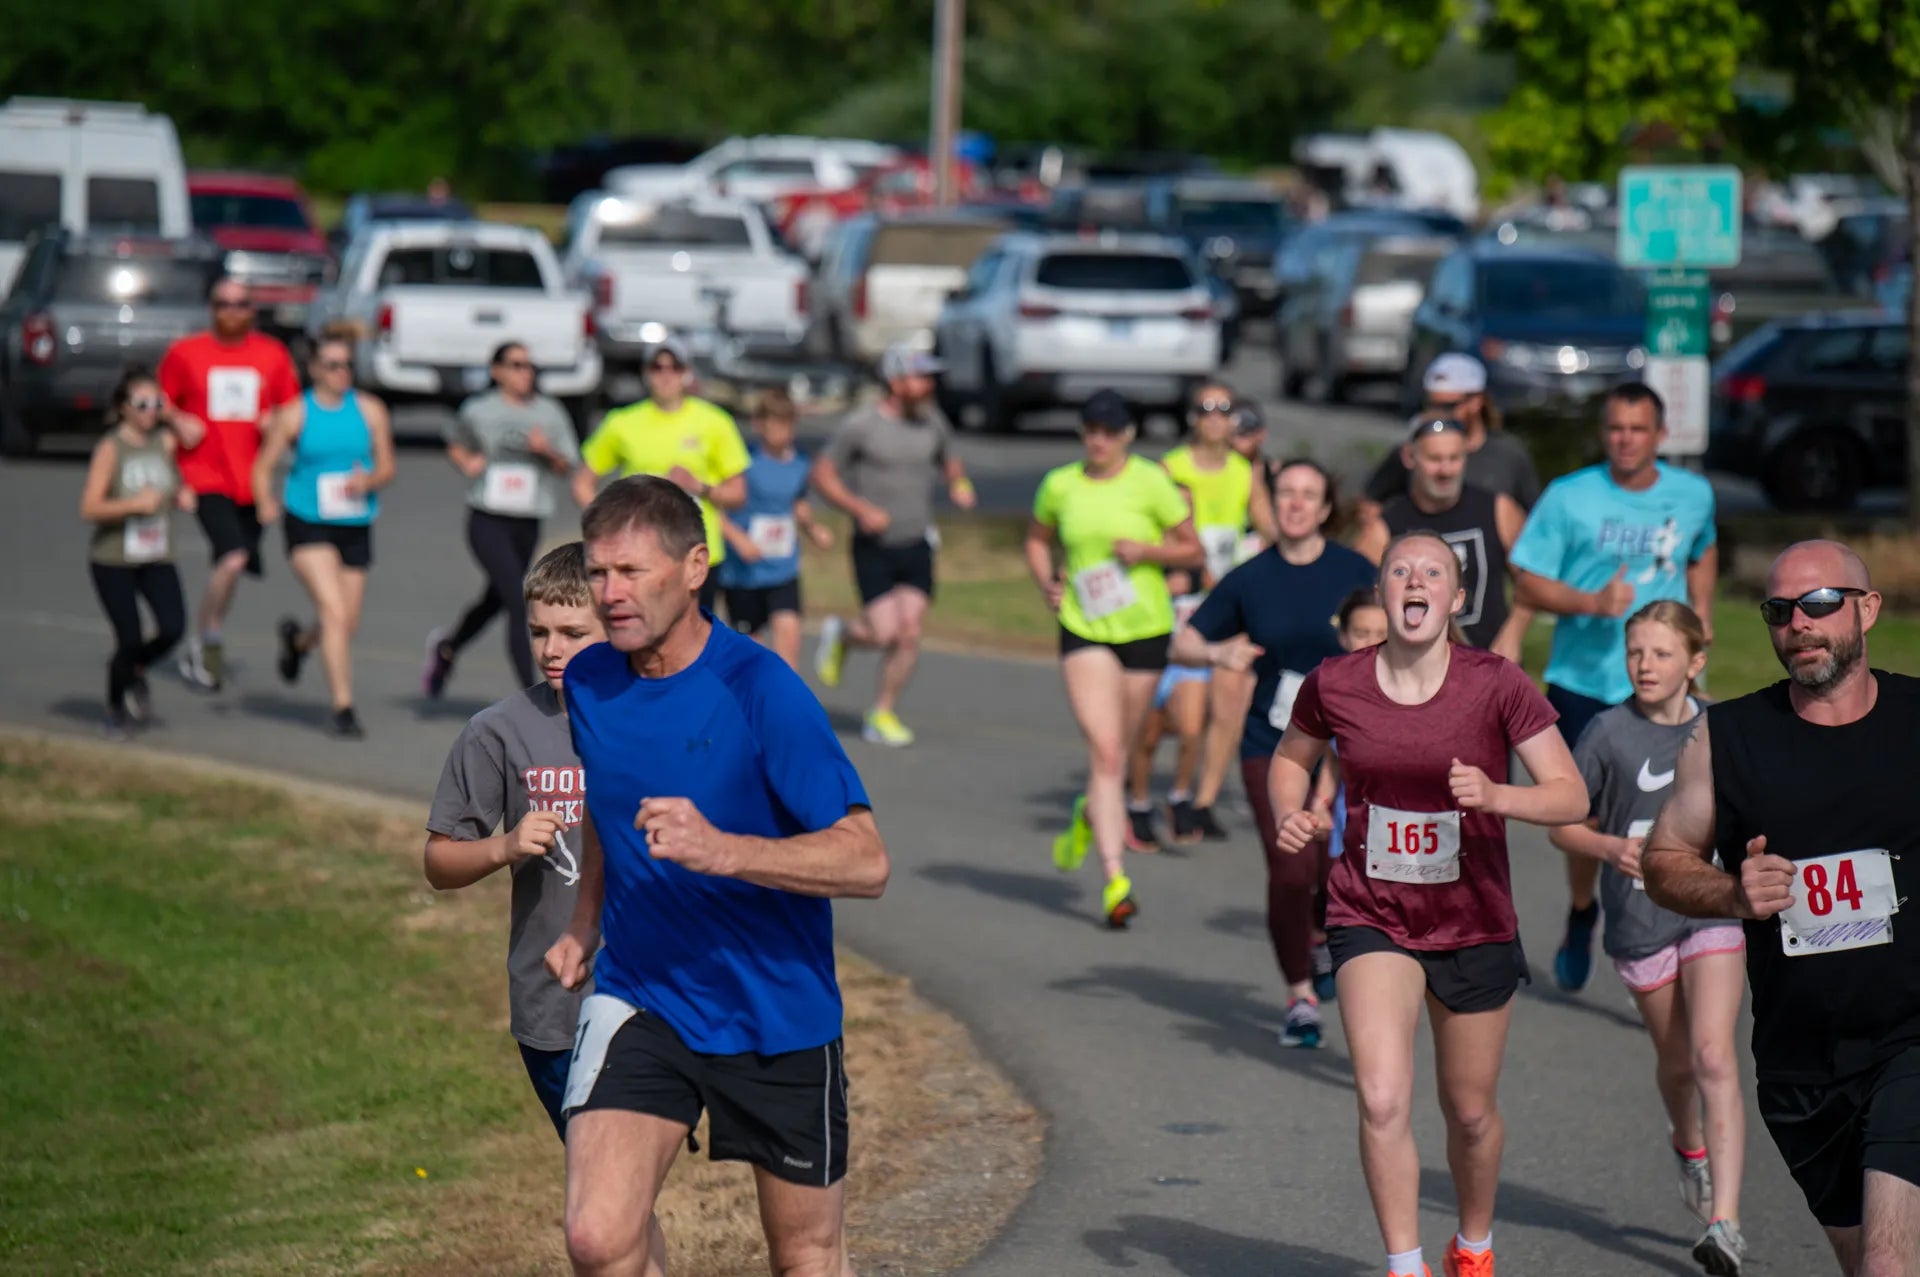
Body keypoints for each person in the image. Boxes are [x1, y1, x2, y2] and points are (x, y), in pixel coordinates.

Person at [542, 475, 887, 1277]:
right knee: (598, 1235)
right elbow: (607, 803)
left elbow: (867, 860)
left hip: (775, 1008)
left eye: (631, 571)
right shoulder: (592, 681)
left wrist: (726, 848)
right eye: (597, 573)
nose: (610, 593)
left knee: (804, 1253)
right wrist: (583, 924)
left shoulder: (762, 689)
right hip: (644, 994)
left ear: (695, 567)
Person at [1269, 531, 1587, 1277]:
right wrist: (1294, 810)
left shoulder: (1496, 682)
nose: (1415, 582)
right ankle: (1405, 1265)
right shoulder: (1336, 681)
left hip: (1473, 918)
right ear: (1383, 592)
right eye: (1400, 571)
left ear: (1456, 597)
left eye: (1432, 572)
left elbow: (1570, 792)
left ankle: (1472, 1245)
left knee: (1470, 1113)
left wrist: (1497, 793)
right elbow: (1292, 756)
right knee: (1382, 1098)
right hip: (1369, 910)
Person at [1644, 541, 1919, 1277]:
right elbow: (1663, 862)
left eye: (1820, 603)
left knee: (1890, 1261)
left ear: (1866, 609)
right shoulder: (1727, 737)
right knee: (1865, 1259)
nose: (1798, 622)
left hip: (1910, 1038)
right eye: (1780, 609)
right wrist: (1734, 892)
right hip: (1801, 1064)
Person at [1549, 601, 1748, 1274]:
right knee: (1679, 1063)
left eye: (1662, 653)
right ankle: (1686, 1141)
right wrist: (1608, 846)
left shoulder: (1722, 728)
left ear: (1694, 662)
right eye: (1636, 651)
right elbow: (1561, 822)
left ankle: (1725, 1221)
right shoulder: (1607, 732)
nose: (1645, 665)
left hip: (1711, 907)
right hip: (1638, 921)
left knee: (1716, 1054)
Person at [1509, 382, 1719, 994]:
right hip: (1584, 682)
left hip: (1669, 681)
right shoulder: (1570, 497)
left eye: (1638, 429)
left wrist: (1700, 609)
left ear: (1659, 435)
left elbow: (1702, 549)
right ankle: (1583, 910)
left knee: (1679, 806)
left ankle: (1681, 927)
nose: (1625, 439)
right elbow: (1526, 582)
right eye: (1615, 429)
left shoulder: (1693, 494)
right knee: (1584, 813)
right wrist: (1591, 601)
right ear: (1604, 434)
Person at [1172, 458, 1376, 1047]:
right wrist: (1217, 656)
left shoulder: (1355, 571)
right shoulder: (1250, 577)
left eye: (1308, 494)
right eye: (1285, 492)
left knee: (1336, 870)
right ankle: (1300, 996)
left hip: (1351, 749)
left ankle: (1320, 935)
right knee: (1291, 867)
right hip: (1276, 744)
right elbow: (1185, 639)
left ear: (1325, 507)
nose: (1294, 504)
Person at [1025, 390, 1201, 929]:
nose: (1098, 440)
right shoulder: (1060, 484)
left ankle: (1091, 809)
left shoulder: (1151, 481)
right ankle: (1114, 878)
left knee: (1120, 750)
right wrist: (1047, 585)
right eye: (1090, 430)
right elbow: (1036, 540)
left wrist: (1148, 552)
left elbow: (1192, 549)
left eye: (1109, 431)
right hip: (1084, 625)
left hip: (1145, 626)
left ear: (1127, 434)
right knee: (1104, 750)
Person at [1128, 381, 1279, 847]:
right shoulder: (1168, 468)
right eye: (1205, 408)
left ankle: (1199, 800)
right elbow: (1149, 528)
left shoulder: (1243, 470)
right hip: (1178, 601)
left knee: (1228, 702)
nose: (1215, 417)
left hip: (1228, 603)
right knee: (1158, 717)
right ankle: (1138, 795)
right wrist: (1183, 560)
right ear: (1192, 417)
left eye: (1224, 409)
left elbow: (1269, 526)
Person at [811, 343, 977, 747]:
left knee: (910, 631)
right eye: (920, 377)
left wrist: (958, 482)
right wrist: (859, 508)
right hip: (874, 545)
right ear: (896, 381)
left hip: (917, 541)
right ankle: (844, 635)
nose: (927, 385)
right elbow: (823, 473)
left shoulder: (933, 422)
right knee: (884, 631)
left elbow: (948, 459)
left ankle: (882, 712)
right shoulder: (862, 425)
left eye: (929, 377)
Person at [158, 276, 301, 690]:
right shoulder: (186, 353)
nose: (232, 311)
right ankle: (206, 641)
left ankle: (210, 628)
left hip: (250, 479)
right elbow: (158, 400)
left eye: (240, 304)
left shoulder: (271, 354)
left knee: (231, 566)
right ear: (211, 308)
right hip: (204, 474)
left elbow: (290, 408)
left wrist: (276, 422)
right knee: (234, 557)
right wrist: (177, 419)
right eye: (223, 303)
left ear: (253, 310)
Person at [252, 329, 396, 740]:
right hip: (306, 518)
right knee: (333, 612)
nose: (342, 373)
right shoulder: (296, 413)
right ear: (314, 369)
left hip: (354, 521)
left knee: (345, 622)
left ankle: (298, 643)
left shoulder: (370, 410)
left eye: (347, 365)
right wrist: (264, 501)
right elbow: (263, 467)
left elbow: (388, 466)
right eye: (332, 365)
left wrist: (369, 481)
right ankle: (343, 706)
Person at [424, 341, 589, 696]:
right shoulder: (479, 410)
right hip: (487, 519)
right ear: (496, 370)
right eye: (515, 365)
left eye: (529, 366)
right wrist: (465, 461)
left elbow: (567, 466)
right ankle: (534, 694)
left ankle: (448, 647)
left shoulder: (549, 413)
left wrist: (546, 451)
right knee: (519, 599)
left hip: (527, 520)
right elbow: (456, 441)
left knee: (496, 598)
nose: (524, 373)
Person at [578, 336, 749, 615]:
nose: (666, 374)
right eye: (657, 367)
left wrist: (699, 486)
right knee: (642, 638)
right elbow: (583, 481)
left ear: (686, 373)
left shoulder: (715, 422)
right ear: (646, 374)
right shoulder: (622, 422)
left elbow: (738, 493)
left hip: (695, 550)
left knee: (694, 643)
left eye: (674, 367)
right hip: (637, 552)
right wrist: (607, 526)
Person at [78, 368, 201, 736]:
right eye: (142, 404)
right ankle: (114, 708)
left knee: (173, 628)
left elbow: (174, 477)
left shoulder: (164, 443)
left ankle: (135, 670)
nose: (150, 410)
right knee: (128, 638)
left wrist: (181, 495)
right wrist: (133, 505)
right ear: (123, 407)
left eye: (156, 403)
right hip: (113, 558)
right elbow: (89, 508)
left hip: (156, 554)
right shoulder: (110, 448)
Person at [1355, 415, 1530, 660]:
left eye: (1454, 459)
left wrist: (1513, 633)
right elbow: (1362, 602)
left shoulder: (1498, 509)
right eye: (1435, 459)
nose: (1445, 470)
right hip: (1415, 667)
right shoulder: (1385, 527)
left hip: (1488, 659)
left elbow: (1532, 581)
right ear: (1410, 457)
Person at [717, 389, 834, 670]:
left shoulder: (800, 463)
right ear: (759, 425)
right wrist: (738, 539)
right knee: (754, 651)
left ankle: (785, 705)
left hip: (783, 568)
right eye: (773, 425)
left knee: (789, 633)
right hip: (743, 573)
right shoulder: (743, 462)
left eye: (786, 425)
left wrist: (813, 528)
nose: (780, 433)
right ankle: (756, 706)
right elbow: (715, 509)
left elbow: (797, 503)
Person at [1362, 354, 1540, 516]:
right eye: (1432, 405)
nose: (1438, 413)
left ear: (1476, 402)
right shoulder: (1412, 451)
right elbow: (1370, 504)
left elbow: (1533, 516)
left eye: (1448, 406)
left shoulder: (1508, 454)